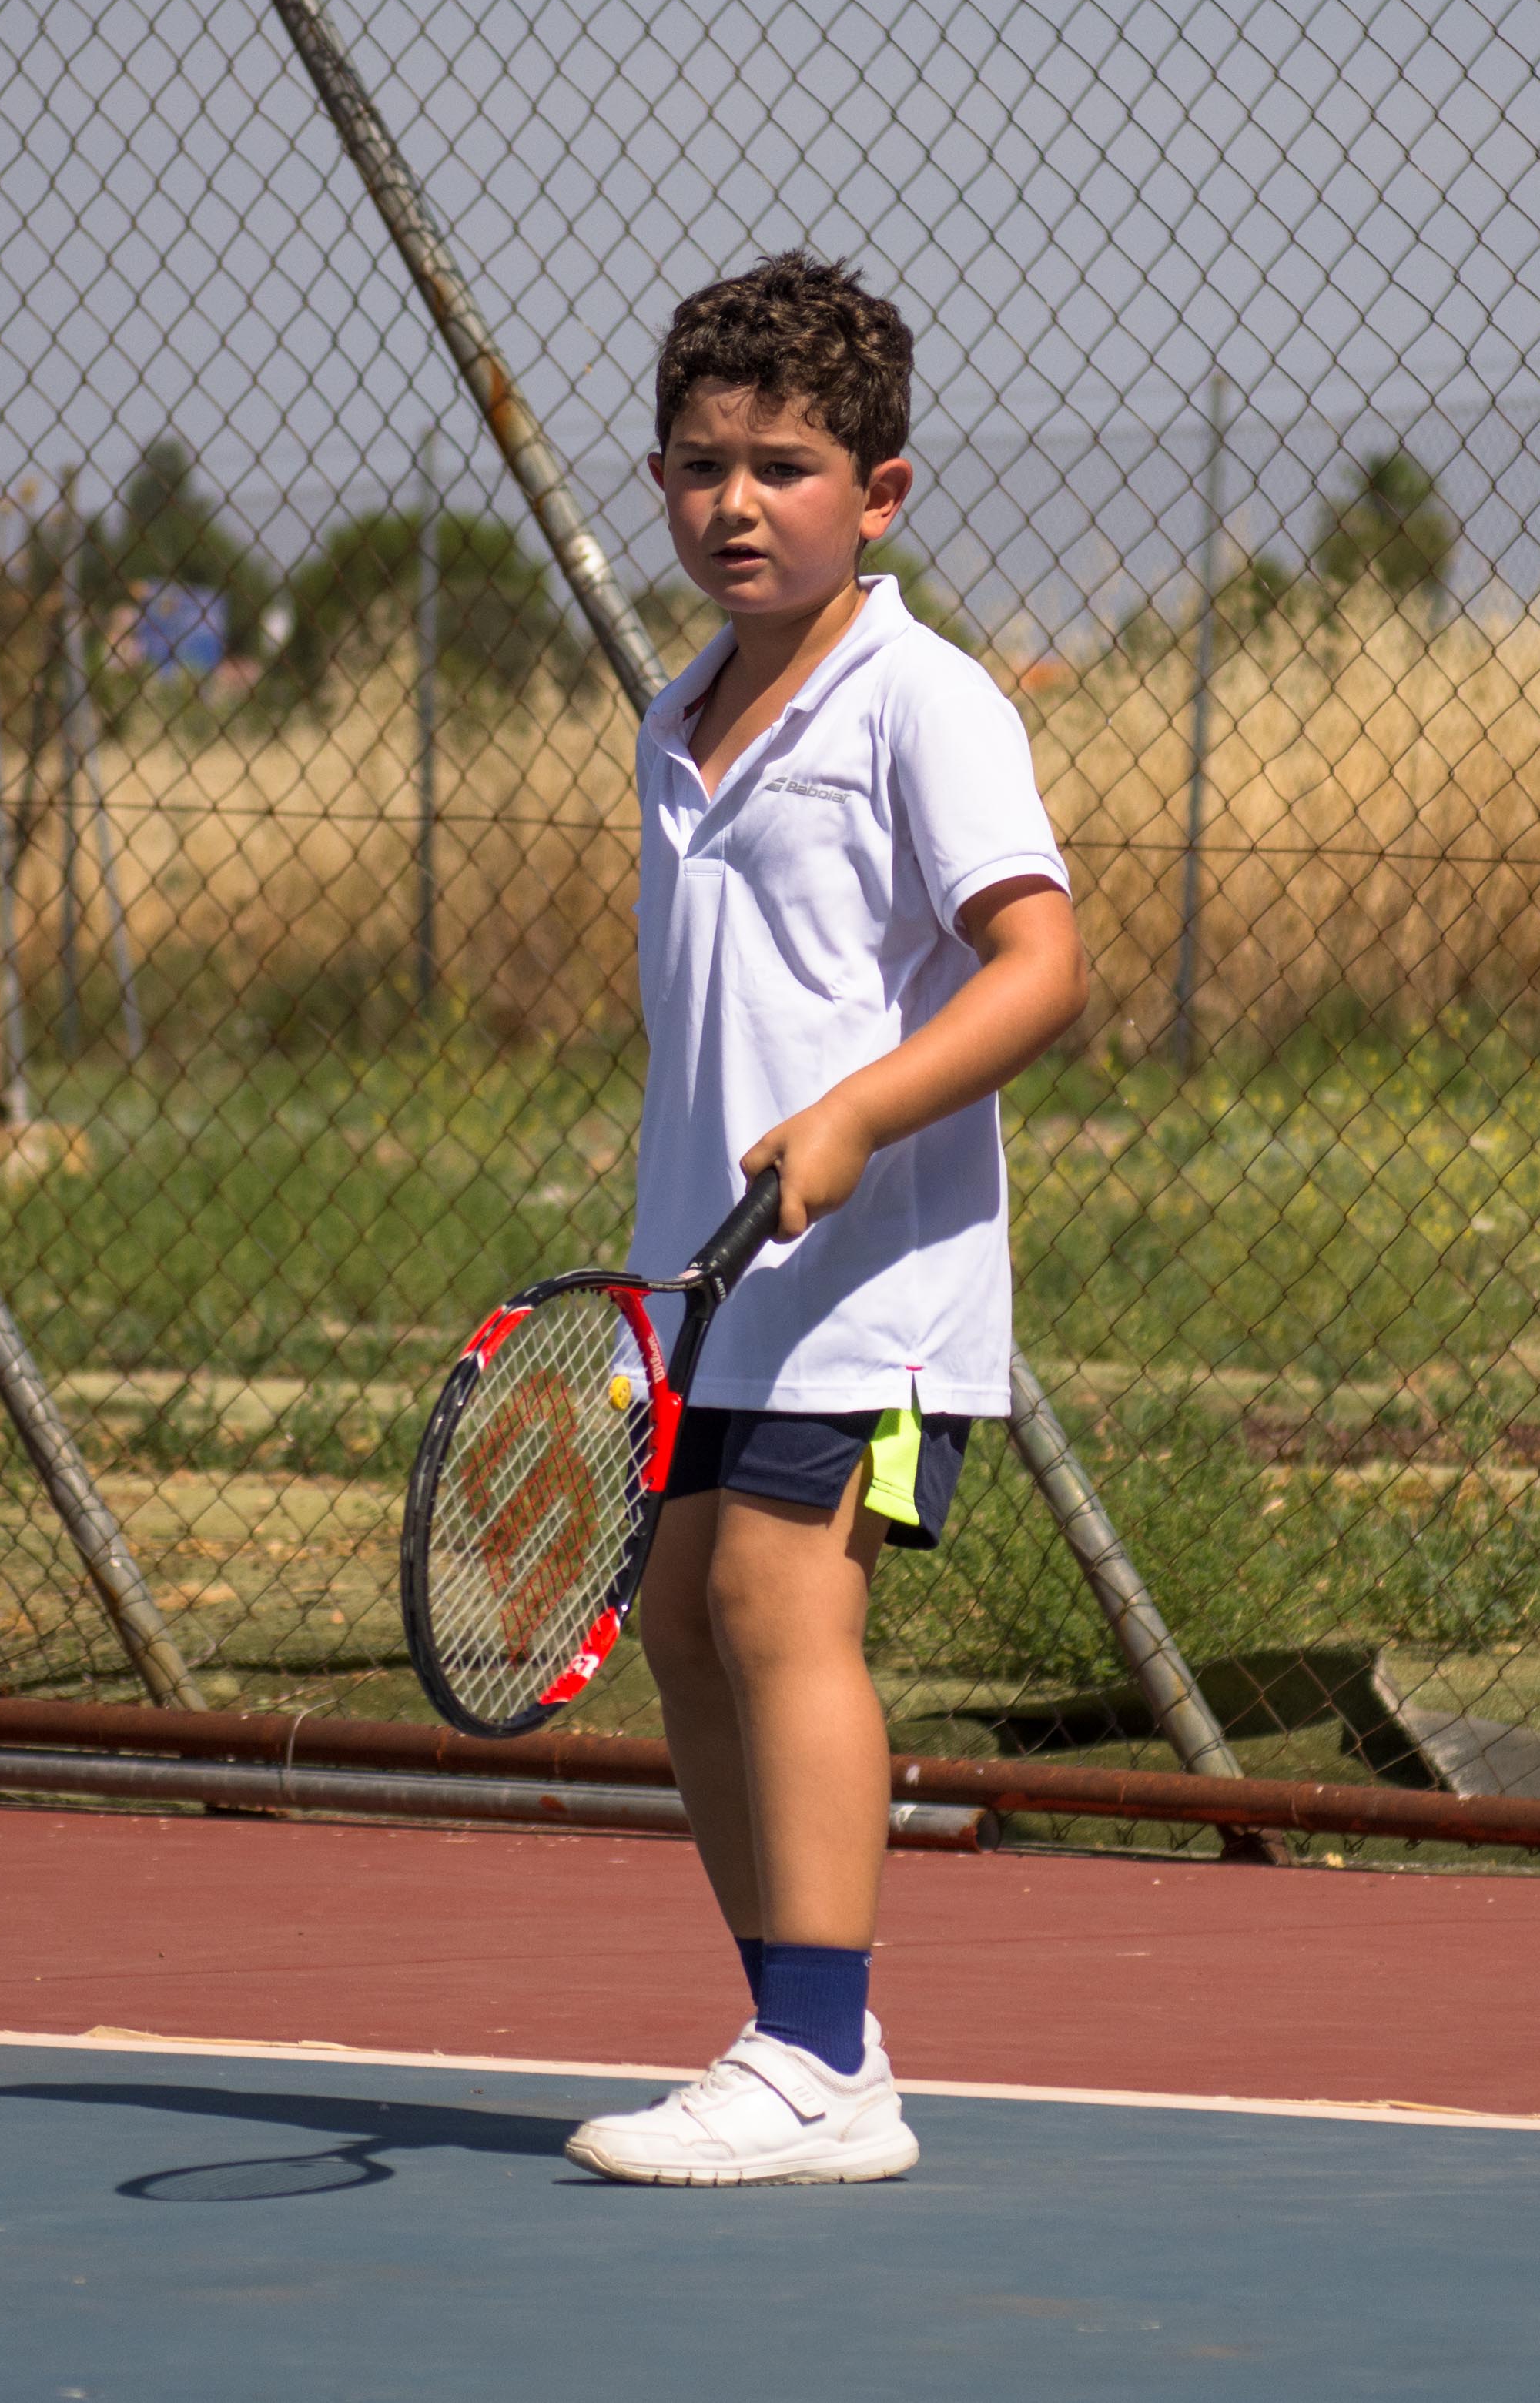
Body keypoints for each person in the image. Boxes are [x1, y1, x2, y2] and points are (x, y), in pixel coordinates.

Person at [564, 253, 1087, 2187]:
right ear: (658, 479)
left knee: (782, 1607)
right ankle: (813, 2040)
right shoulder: (677, 711)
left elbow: (1041, 965)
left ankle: (810, 2058)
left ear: (879, 495)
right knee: (687, 1631)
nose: (737, 504)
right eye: (702, 466)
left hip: (871, 1290)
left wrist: (858, 1116)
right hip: (706, 1288)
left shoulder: (924, 702)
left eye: (783, 468)